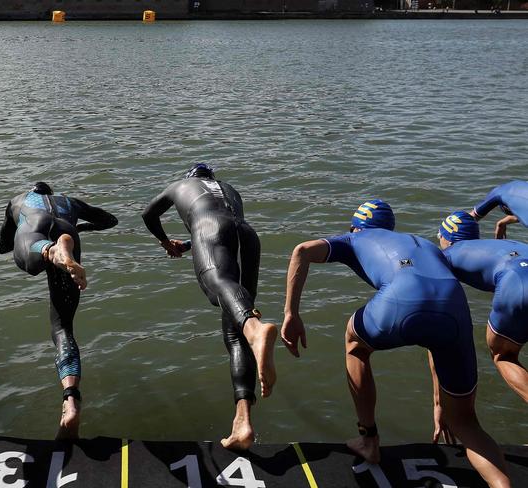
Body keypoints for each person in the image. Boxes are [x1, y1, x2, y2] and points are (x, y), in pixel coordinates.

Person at [282, 200, 510, 488]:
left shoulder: (354, 237)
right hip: (454, 308)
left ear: (355, 225)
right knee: (467, 424)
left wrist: (291, 314)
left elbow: (302, 251)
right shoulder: (424, 245)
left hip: (401, 298)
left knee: (356, 344)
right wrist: (439, 404)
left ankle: (369, 440)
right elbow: (433, 326)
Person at [142, 163, 277, 450]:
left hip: (210, 230)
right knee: (234, 334)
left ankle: (255, 328)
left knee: (216, 286)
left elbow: (148, 214)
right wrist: (189, 245)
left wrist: (165, 242)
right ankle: (243, 423)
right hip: (247, 236)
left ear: (190, 178)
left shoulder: (179, 185)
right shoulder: (230, 190)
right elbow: (224, 226)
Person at [0, 182, 118, 439]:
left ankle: (52, 250)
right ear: (52, 193)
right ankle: (71, 399)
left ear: (33, 191)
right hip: (68, 230)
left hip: (36, 233)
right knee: (63, 328)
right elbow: (110, 220)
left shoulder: (18, 199)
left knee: (29, 259)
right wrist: (79, 227)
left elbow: (4, 245)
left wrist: (19, 230)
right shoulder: (70, 202)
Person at [438, 210, 528, 403]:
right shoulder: (498, 245)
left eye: (440, 237)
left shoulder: (447, 255)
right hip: (518, 273)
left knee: (503, 355)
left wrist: (439, 401)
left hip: (516, 282)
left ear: (448, 239)